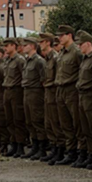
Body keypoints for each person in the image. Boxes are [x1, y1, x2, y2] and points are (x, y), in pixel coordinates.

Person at [55, 25, 83, 166]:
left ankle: (81, 152)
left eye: (62, 35)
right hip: (60, 89)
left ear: (70, 35)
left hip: (72, 90)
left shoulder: (77, 52)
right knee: (65, 123)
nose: (59, 38)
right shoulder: (62, 52)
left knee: (76, 122)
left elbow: (82, 71)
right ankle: (70, 151)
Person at [75, 30, 92, 169]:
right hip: (82, 95)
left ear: (88, 43)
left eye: (81, 44)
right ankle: (91, 153)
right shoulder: (85, 58)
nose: (79, 46)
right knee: (85, 127)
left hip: (91, 96)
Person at [21, 37, 48, 160]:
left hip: (36, 92)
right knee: (29, 121)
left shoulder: (39, 61)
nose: (23, 47)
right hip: (27, 91)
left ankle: (42, 149)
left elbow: (43, 79)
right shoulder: (27, 60)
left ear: (32, 46)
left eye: (25, 45)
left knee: (38, 120)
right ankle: (35, 146)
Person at [39, 33, 63, 163]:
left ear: (48, 42)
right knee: (48, 123)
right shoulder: (48, 58)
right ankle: (54, 148)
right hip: (47, 92)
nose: (40, 44)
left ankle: (60, 150)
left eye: (42, 42)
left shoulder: (55, 57)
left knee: (55, 122)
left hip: (53, 93)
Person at [2, 37, 27, 157]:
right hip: (7, 90)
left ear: (13, 46)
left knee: (18, 119)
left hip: (16, 91)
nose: (5, 48)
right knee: (9, 119)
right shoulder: (7, 60)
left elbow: (24, 76)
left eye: (7, 46)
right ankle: (14, 144)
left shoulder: (20, 60)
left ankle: (20, 145)